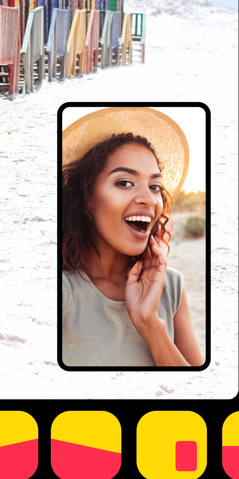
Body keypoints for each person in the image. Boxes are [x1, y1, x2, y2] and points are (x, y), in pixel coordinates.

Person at [61, 107, 204, 368]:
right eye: (124, 182)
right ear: (86, 197)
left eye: (155, 187)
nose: (148, 199)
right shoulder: (62, 291)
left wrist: (151, 325)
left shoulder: (171, 285)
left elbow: (198, 393)